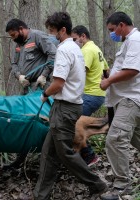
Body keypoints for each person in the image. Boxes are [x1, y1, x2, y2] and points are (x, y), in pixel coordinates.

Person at [33, 12, 107, 200]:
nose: (50, 34)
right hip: (69, 105)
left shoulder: (65, 50)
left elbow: (58, 83)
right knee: (48, 153)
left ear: (63, 30)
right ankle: (40, 195)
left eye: (52, 31)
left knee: (65, 153)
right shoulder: (75, 48)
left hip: (65, 107)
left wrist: (44, 93)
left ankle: (97, 184)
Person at [5, 18, 57, 169]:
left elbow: (53, 55)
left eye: (14, 34)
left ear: (21, 29)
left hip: (41, 86)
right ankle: (20, 158)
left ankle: (51, 156)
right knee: (26, 121)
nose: (13, 38)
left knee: (46, 120)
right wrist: (18, 76)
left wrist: (44, 75)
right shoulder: (18, 45)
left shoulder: (38, 36)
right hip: (27, 88)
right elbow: (14, 64)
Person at [99, 11, 140, 200]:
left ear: (122, 25)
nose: (111, 34)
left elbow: (132, 70)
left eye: (112, 30)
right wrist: (110, 78)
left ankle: (122, 186)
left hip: (131, 99)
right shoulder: (128, 42)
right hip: (127, 98)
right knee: (134, 138)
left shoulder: (136, 40)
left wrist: (108, 82)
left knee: (115, 139)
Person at [71, 25, 110, 167]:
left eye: (75, 39)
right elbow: (107, 70)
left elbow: (81, 72)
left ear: (83, 36)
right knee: (77, 124)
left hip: (91, 94)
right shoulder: (97, 49)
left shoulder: (86, 50)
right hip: (98, 94)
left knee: (72, 123)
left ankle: (89, 156)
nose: (74, 42)